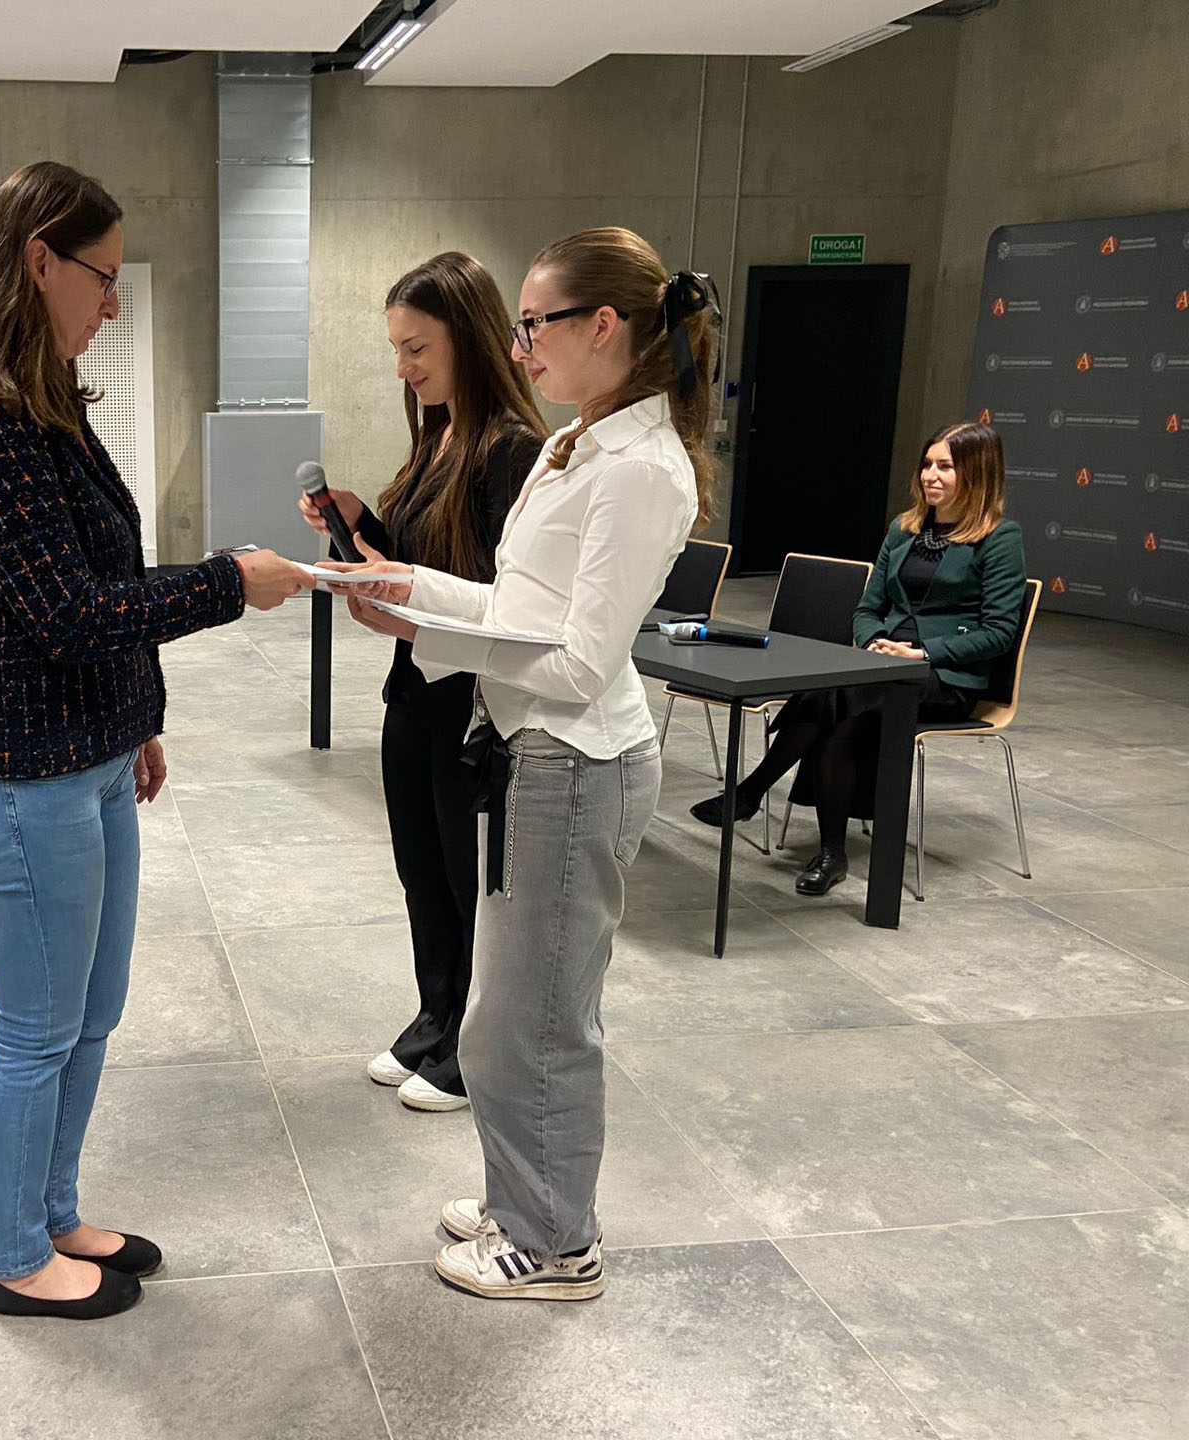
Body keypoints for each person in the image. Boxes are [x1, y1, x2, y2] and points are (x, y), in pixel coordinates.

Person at [0, 161, 306, 1321]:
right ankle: (12, 1256)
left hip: (88, 758)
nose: (113, 302)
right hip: (21, 777)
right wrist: (229, 582)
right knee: (37, 1031)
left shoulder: (48, 405)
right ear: (39, 261)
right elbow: (72, 614)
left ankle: (53, 1213)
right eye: (103, 277)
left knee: (91, 1014)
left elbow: (103, 576)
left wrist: (140, 721)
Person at [336, 227, 717, 1301]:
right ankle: (524, 1198)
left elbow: (584, 662)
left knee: (536, 1020)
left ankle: (555, 1245)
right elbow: (518, 604)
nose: (522, 345)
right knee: (504, 1016)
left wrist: (429, 631)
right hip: (531, 753)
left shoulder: (641, 470)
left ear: (605, 325)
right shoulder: (574, 447)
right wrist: (409, 588)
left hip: (579, 761)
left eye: (536, 324)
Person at [297, 252, 546, 1114]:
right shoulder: (439, 434)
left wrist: (399, 578)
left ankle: (473, 1047)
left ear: (467, 339)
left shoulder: (513, 450)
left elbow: (504, 596)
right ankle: (437, 1016)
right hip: (414, 685)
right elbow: (417, 556)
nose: (403, 368)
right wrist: (360, 524)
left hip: (470, 698)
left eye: (417, 349)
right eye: (397, 350)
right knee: (422, 871)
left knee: (465, 877)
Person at [690, 422, 1026, 895]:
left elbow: (999, 632)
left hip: (945, 676)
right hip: (881, 663)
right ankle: (826, 850)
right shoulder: (904, 529)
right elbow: (868, 608)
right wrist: (874, 643)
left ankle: (753, 793)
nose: (930, 475)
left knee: (836, 698)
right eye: (927, 464)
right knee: (840, 704)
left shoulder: (999, 539)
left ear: (977, 472)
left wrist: (921, 652)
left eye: (945, 467)